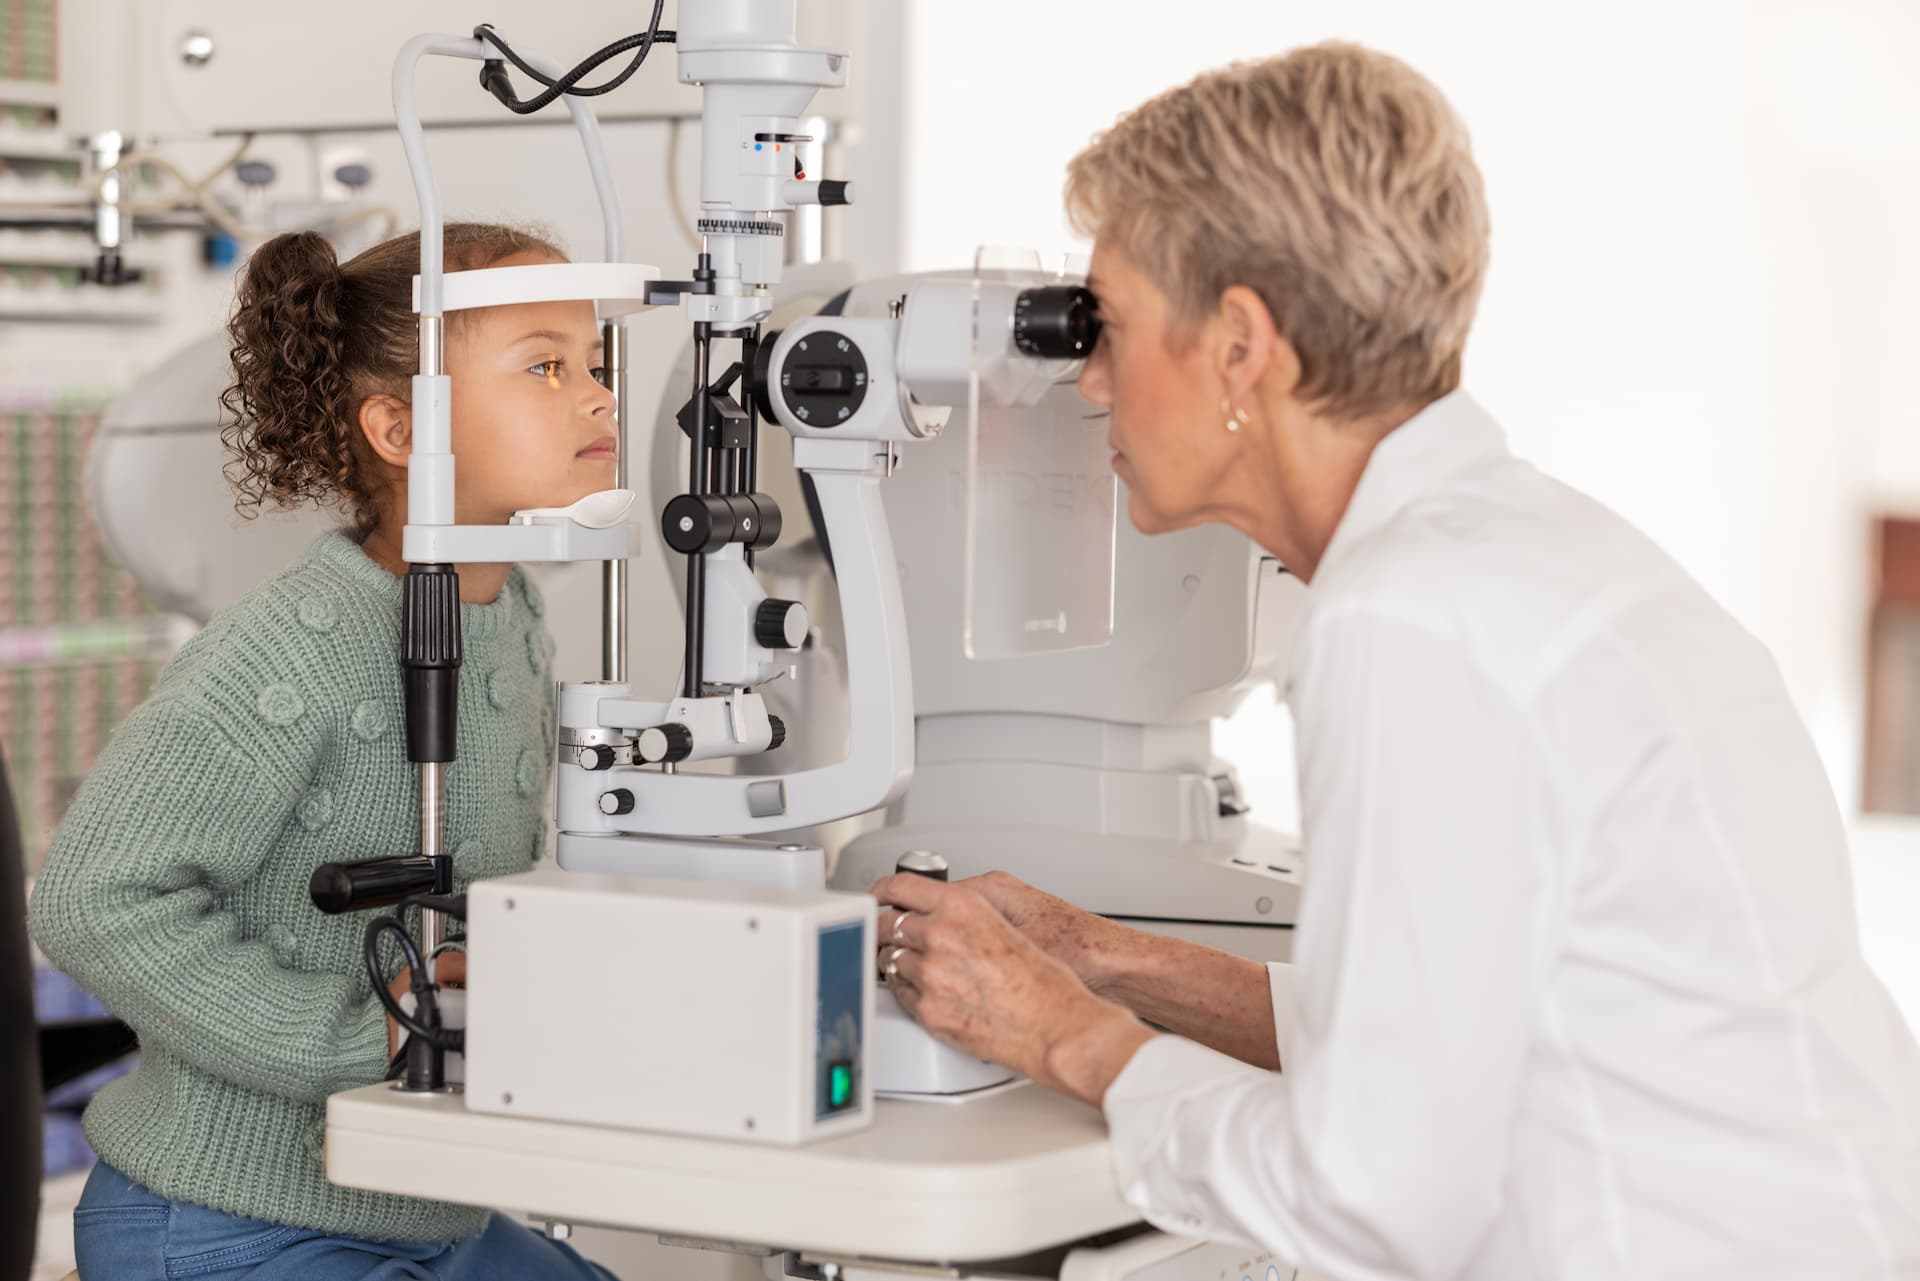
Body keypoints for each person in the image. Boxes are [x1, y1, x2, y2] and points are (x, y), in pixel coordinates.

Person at [870, 42, 1920, 1280]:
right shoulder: (1524, 552)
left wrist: (1066, 1035)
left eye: (1114, 328)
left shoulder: (1411, 619)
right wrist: (1107, 958)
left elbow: (1379, 1197)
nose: (1090, 385)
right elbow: (1464, 1033)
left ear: (1241, 347)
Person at [28, 224, 624, 1279]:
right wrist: (376, 1037)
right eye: (543, 366)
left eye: (593, 364)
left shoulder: (514, 608)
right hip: (223, 1217)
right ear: (399, 429)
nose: (595, 396)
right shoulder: (289, 649)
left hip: (425, 1209)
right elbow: (90, 899)